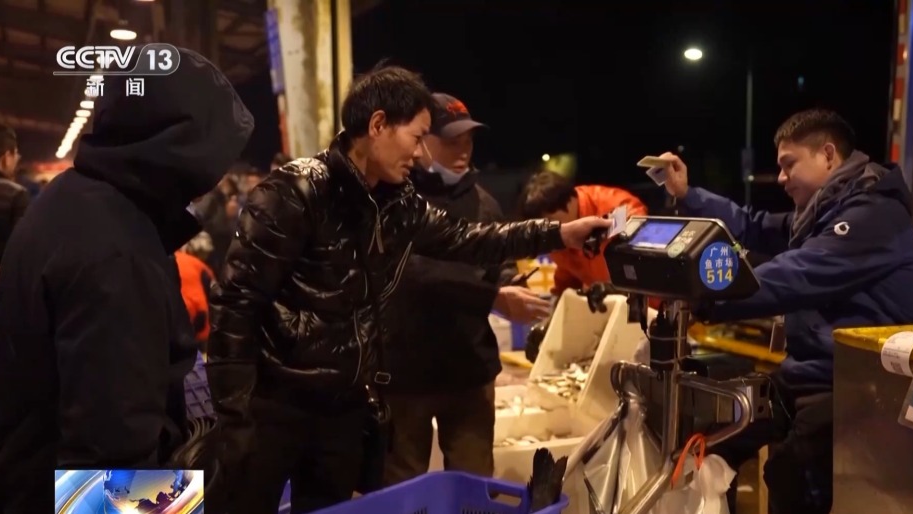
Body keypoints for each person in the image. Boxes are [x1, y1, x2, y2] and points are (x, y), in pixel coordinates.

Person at [207, 65, 609, 514]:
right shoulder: (294, 191)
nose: (420, 154)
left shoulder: (398, 203)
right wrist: (235, 417)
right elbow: (235, 304)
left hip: (341, 412)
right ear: (378, 124)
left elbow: (471, 239)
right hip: (274, 407)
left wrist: (561, 234)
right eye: (416, 137)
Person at [0, 49, 254, 512]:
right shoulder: (116, 254)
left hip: (25, 476)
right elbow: (110, 469)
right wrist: (190, 500)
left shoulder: (75, 198)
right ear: (180, 145)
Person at [659, 108, 913, 514]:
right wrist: (688, 195)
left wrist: (707, 296)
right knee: (715, 432)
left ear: (828, 155)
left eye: (789, 164)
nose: (781, 178)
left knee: (789, 471)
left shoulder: (873, 215)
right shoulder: (823, 212)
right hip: (806, 374)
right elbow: (753, 225)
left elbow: (797, 274)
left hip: (859, 387)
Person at [382, 93, 551, 486]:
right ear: (421, 140)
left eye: (468, 141)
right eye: (451, 141)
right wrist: (492, 297)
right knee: (400, 485)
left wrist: (510, 284)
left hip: (469, 372)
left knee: (475, 484)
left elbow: (498, 263)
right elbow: (412, 274)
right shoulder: (394, 199)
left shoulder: (484, 203)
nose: (462, 151)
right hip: (404, 374)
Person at [519, 171, 647, 296]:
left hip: (644, 299)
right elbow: (567, 273)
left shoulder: (617, 207)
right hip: (605, 303)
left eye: (549, 222)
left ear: (569, 203)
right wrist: (558, 300)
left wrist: (614, 288)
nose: (546, 231)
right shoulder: (553, 235)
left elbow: (643, 256)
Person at [0, 124, 30, 267]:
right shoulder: (17, 195)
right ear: (6, 158)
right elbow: (23, 249)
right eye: (16, 153)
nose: (17, 158)